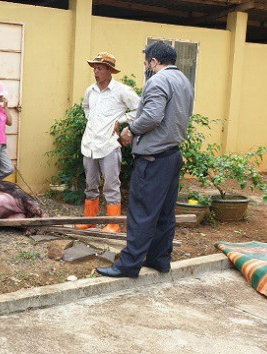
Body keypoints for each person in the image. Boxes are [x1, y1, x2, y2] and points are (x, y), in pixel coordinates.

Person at [97, 41, 194, 278]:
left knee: (141, 213)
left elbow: (152, 116)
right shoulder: (184, 81)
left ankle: (128, 266)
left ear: (153, 62)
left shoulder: (158, 80)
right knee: (164, 213)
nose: (145, 66)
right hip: (172, 155)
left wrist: (130, 131)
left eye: (146, 62)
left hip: (153, 158)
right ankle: (159, 260)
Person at [76, 52, 140, 233]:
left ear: (110, 71)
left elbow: (140, 108)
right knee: (90, 186)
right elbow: (86, 107)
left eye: (100, 68)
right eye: (95, 68)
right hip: (89, 145)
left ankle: (113, 224)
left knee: (111, 186)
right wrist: (91, 120)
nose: (96, 72)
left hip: (109, 146)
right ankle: (90, 220)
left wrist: (121, 119)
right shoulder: (91, 91)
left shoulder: (121, 91)